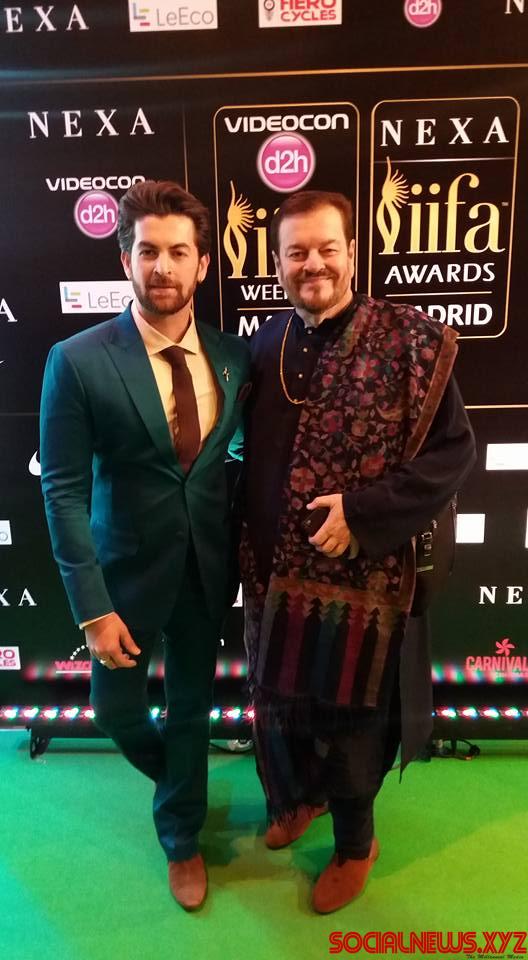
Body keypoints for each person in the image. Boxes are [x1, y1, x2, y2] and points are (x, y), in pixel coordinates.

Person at [240, 190, 476, 913]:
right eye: (296, 252)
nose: (312, 263)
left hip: (362, 578)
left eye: (327, 248)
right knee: (280, 704)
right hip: (272, 574)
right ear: (277, 262)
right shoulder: (265, 343)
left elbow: (452, 455)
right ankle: (299, 799)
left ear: (351, 252)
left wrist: (362, 514)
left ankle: (354, 844)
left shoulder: (409, 343)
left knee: (352, 723)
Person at [40, 180, 250, 911]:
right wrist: (92, 609)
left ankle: (181, 836)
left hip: (205, 573)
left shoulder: (233, 358)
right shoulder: (77, 359)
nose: (163, 267)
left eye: (179, 252)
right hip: (121, 580)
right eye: (148, 251)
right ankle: (182, 782)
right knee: (116, 713)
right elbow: (62, 491)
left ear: (202, 265)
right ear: (125, 259)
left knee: (191, 709)